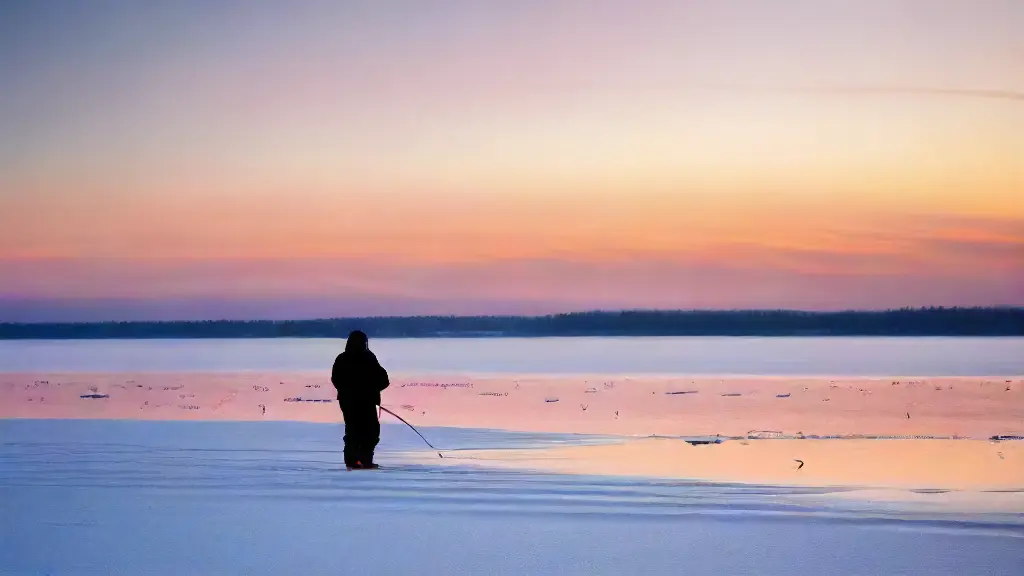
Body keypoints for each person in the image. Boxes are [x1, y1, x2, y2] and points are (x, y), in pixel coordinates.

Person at [331, 330, 390, 470]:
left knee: (361, 431)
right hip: (357, 402)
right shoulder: (360, 358)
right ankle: (359, 461)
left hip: (359, 402)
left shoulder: (352, 358)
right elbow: (337, 379)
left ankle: (360, 461)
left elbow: (383, 379)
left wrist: (370, 389)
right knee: (362, 432)